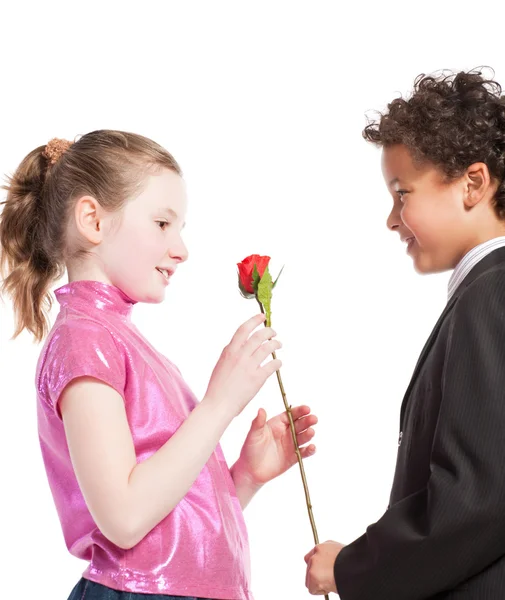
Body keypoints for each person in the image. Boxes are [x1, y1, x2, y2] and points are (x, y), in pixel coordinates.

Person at [0, 130, 318, 600]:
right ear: (93, 219)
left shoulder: (119, 340)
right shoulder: (86, 340)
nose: (182, 248)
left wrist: (241, 479)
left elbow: (165, 528)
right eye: (163, 223)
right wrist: (219, 405)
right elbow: (125, 519)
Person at [304, 69, 505, 599]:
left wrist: (353, 567)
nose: (393, 220)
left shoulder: (491, 294)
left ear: (473, 183)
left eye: (403, 193)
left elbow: (480, 493)